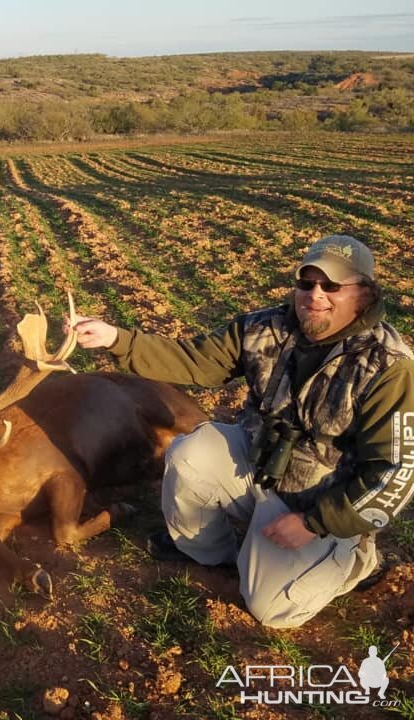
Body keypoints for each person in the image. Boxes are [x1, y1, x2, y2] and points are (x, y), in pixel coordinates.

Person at [66, 235, 414, 628]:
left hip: (319, 502)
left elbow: (396, 472)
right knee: (189, 453)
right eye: (307, 282)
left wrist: (315, 523)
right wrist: (116, 339)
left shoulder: (389, 366)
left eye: (332, 285)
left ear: (364, 294)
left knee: (271, 609)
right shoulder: (265, 328)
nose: (315, 295)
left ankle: (354, 558)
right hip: (260, 465)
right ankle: (214, 554)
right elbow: (196, 360)